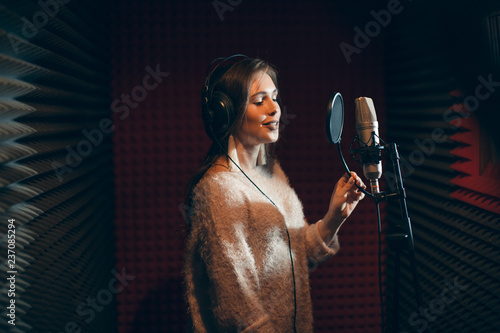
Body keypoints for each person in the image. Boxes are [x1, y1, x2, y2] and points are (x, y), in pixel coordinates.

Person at [184, 56, 366, 332]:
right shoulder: (218, 191)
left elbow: (297, 252)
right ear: (226, 114)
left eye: (275, 98)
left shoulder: (271, 172)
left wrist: (334, 216)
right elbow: (237, 308)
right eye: (259, 101)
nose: (275, 109)